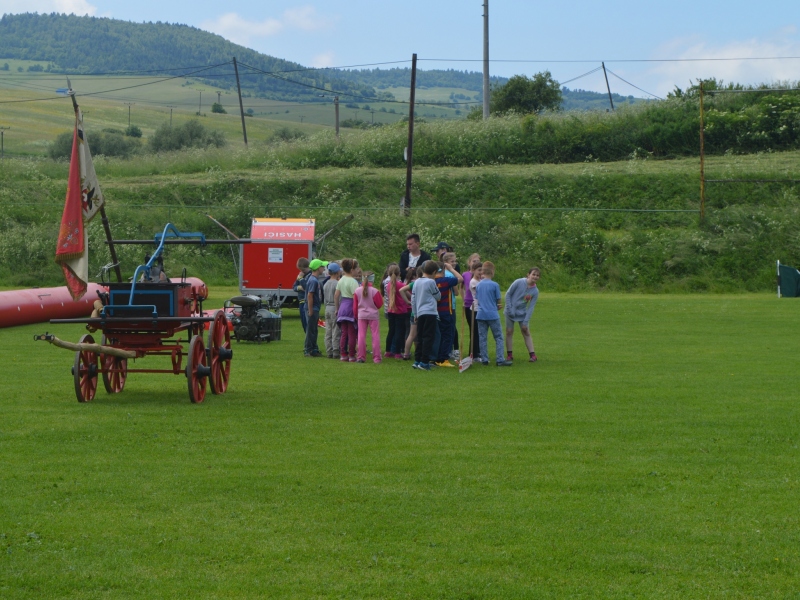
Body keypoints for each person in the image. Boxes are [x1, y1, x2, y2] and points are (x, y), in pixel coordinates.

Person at [475, 261, 513, 367]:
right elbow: (498, 300)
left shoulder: (478, 285)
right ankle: (500, 359)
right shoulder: (495, 285)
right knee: (498, 337)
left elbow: (478, 299)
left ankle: (484, 359)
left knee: (482, 337)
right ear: (492, 272)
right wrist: (498, 305)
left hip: (481, 314)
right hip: (492, 314)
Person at [410, 260, 442, 370]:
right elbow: (438, 296)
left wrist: (415, 312)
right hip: (430, 312)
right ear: (434, 272)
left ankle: (417, 359)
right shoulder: (431, 282)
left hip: (419, 312)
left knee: (420, 336)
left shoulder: (417, 282)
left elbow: (413, 299)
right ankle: (424, 361)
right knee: (428, 337)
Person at [504, 267, 540, 362]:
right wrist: (509, 309)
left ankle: (532, 355)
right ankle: (509, 354)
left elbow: (531, 307)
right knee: (509, 331)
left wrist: (525, 321)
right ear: (528, 274)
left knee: (526, 331)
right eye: (533, 274)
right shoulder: (519, 282)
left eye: (537, 275)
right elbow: (508, 294)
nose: (535, 277)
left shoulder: (535, 291)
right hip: (510, 311)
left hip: (522, 313)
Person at [434, 260, 462, 367]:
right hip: (446, 311)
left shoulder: (432, 281)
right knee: (448, 335)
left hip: (435, 312)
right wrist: (451, 269)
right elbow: (460, 279)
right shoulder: (446, 280)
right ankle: (443, 358)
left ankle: (437, 356)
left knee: (439, 335)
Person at [353, 271, 383, 364]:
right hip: (373, 315)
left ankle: (361, 356)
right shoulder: (375, 291)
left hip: (361, 315)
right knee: (375, 335)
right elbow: (379, 304)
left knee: (361, 335)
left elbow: (355, 306)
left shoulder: (357, 290)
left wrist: (356, 315)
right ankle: (377, 357)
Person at [334, 258, 359, 362]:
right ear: (352, 270)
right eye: (357, 268)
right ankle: (352, 355)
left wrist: (337, 308)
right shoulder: (353, 282)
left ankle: (343, 354)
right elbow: (356, 297)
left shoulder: (341, 280)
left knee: (344, 333)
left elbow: (336, 296)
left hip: (342, 307)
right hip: (351, 307)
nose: (358, 270)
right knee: (352, 333)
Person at [385, 264, 410, 359]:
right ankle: (397, 352)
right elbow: (408, 295)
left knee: (391, 331)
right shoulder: (401, 285)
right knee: (400, 332)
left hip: (391, 310)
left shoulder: (388, 285)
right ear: (399, 273)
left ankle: (388, 351)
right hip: (400, 311)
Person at [303, 259, 327, 357]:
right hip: (312, 308)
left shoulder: (314, 279)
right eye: (322, 266)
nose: (323, 268)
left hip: (315, 307)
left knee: (314, 330)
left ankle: (314, 349)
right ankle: (308, 349)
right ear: (317, 268)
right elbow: (310, 295)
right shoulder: (313, 280)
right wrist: (311, 310)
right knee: (311, 329)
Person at [400, 266, 421, 360]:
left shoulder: (414, 283)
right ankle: (418, 353)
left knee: (411, 334)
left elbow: (401, 290)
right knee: (419, 335)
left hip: (414, 311)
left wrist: (408, 301)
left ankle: (406, 353)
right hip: (422, 312)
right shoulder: (425, 283)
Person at [462, 259, 482, 360]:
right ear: (473, 270)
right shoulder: (473, 282)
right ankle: (473, 353)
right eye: (479, 270)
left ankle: (477, 352)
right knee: (474, 330)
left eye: (482, 271)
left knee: (478, 330)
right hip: (473, 308)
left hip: (479, 308)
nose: (481, 273)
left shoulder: (480, 281)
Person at [323, 262, 342, 359]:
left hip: (327, 307)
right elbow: (339, 298)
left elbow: (324, 299)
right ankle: (335, 351)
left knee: (328, 330)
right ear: (337, 272)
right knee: (336, 330)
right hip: (335, 307)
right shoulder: (337, 284)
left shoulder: (326, 284)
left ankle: (328, 350)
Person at [293, 257, 311, 333]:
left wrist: (301, 279)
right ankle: (307, 338)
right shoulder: (300, 276)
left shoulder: (310, 276)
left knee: (308, 322)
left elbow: (306, 287)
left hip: (307, 301)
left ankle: (309, 340)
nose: (301, 272)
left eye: (303, 270)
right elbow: (294, 287)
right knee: (303, 322)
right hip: (301, 301)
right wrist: (299, 287)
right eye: (300, 270)